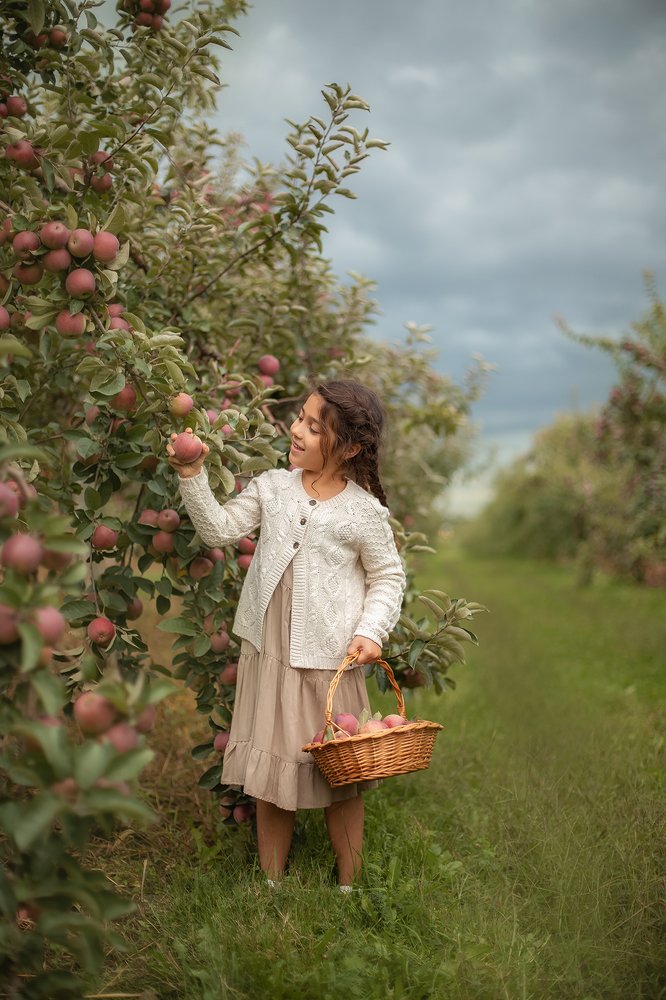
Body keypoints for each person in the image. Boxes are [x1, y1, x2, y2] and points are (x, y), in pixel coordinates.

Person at [167, 379, 406, 890]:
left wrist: (371, 630)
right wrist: (192, 474)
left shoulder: (364, 512)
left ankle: (348, 884)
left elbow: (388, 576)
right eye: (299, 418)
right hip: (269, 649)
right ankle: (272, 883)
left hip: (327, 658)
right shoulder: (273, 487)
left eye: (314, 427)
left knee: (339, 776)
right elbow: (218, 529)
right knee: (274, 775)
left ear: (350, 448)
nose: (296, 430)